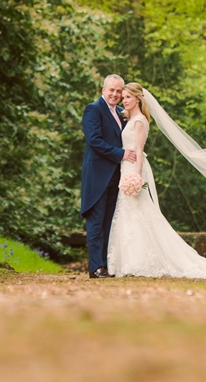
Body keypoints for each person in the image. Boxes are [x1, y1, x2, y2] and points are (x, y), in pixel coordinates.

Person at [106, 83, 206, 280]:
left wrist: (136, 176)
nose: (124, 100)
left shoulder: (139, 122)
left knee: (138, 211)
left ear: (138, 99)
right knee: (130, 212)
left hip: (133, 169)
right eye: (123, 97)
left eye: (128, 97)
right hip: (125, 168)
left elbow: (138, 151)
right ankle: (129, 261)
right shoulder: (129, 118)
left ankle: (139, 262)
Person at [80, 74, 136, 278]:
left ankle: (106, 265)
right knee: (96, 222)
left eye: (118, 91)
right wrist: (121, 154)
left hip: (117, 176)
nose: (115, 94)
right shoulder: (93, 109)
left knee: (109, 222)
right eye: (111, 90)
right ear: (103, 90)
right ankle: (96, 268)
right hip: (97, 175)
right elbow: (94, 140)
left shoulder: (122, 112)